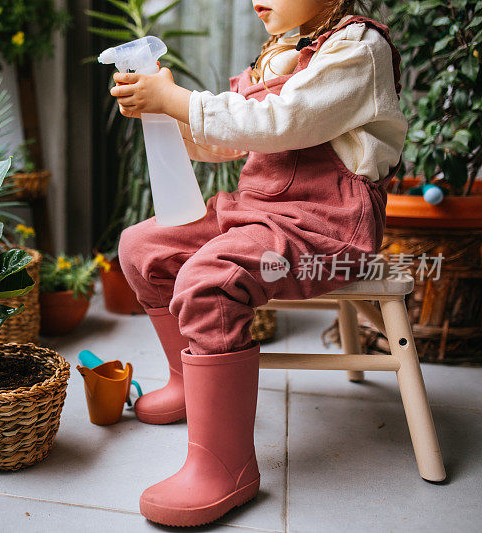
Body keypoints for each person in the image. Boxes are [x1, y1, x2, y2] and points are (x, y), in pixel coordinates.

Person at [109, 0, 406, 527]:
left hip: (326, 225)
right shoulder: (282, 50)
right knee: (143, 247)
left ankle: (225, 466)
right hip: (260, 211)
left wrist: (181, 100)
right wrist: (166, 111)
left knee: (211, 278)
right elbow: (228, 138)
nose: (254, 0)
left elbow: (281, 122)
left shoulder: (357, 49)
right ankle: (187, 379)